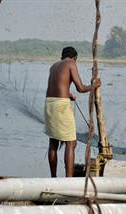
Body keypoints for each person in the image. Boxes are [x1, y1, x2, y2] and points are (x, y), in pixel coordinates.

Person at [44, 46, 100, 177]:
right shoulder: (71, 64)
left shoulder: (54, 66)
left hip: (49, 103)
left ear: (62, 57)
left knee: (53, 142)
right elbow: (80, 88)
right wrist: (94, 86)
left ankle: (53, 178)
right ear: (74, 58)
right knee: (71, 142)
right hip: (61, 106)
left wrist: (68, 94)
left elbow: (57, 85)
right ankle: (69, 179)